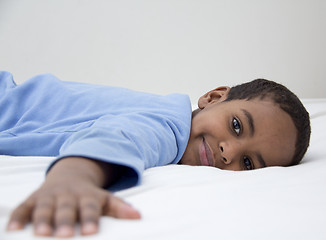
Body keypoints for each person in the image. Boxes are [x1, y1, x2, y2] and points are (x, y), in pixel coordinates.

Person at [2, 71, 310, 237]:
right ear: (214, 97)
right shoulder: (168, 126)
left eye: (247, 163)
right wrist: (71, 180)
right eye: (237, 126)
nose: (228, 151)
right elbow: (117, 137)